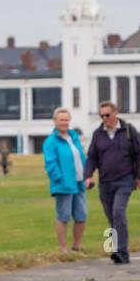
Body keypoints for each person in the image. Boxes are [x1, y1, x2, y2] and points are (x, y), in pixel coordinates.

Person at [83, 100, 140, 265]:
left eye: (107, 115)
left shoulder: (128, 131)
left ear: (115, 113)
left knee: (118, 212)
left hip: (125, 180)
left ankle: (122, 251)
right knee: (111, 218)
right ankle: (115, 251)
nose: (105, 118)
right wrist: (88, 176)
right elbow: (92, 157)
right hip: (105, 182)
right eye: (102, 116)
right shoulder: (98, 134)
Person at [42, 108, 88, 252]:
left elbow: (81, 157)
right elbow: (50, 163)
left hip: (79, 182)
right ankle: (63, 248)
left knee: (81, 215)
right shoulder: (51, 141)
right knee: (64, 216)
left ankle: (77, 246)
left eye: (67, 120)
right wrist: (59, 179)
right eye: (61, 120)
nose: (64, 122)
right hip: (63, 185)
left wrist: (87, 175)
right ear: (55, 121)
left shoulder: (73, 137)